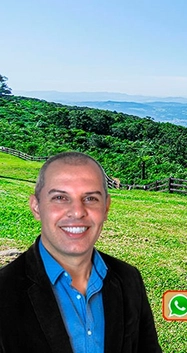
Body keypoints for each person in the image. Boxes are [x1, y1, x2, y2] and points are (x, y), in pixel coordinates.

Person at [0, 151, 162, 353]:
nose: (77, 212)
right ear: (36, 207)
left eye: (91, 198)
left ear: (106, 208)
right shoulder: (4, 291)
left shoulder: (129, 279)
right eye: (60, 197)